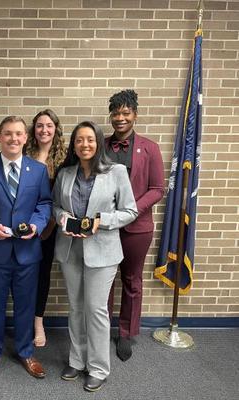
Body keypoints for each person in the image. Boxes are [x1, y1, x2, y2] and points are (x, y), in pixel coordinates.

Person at [53, 121, 137, 392]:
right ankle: (77, 361)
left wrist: (103, 220)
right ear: (73, 144)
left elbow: (130, 211)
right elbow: (55, 206)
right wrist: (63, 218)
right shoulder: (65, 173)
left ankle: (98, 368)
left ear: (98, 142)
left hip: (103, 251)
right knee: (76, 307)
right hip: (70, 249)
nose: (84, 144)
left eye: (90, 140)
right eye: (79, 140)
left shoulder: (116, 172)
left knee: (96, 310)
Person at [0, 116, 51, 380]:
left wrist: (37, 225)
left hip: (27, 252)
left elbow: (44, 204)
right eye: (7, 134)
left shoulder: (37, 170)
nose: (13, 138)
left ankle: (26, 351)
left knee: (26, 305)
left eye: (18, 134)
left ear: (26, 138)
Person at [105, 89, 165, 361]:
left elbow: (157, 189)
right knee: (104, 281)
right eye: (116, 113)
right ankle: (101, 329)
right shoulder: (101, 145)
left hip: (136, 228)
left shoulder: (150, 148)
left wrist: (131, 211)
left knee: (131, 281)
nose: (120, 118)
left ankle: (126, 333)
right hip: (105, 226)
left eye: (125, 113)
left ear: (135, 115)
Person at [24, 109, 67, 347]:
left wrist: (49, 225)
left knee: (42, 275)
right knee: (23, 275)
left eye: (49, 125)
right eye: (39, 125)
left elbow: (61, 197)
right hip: (24, 227)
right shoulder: (24, 154)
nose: (44, 130)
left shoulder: (63, 159)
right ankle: (23, 321)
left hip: (51, 228)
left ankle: (38, 323)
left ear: (56, 129)